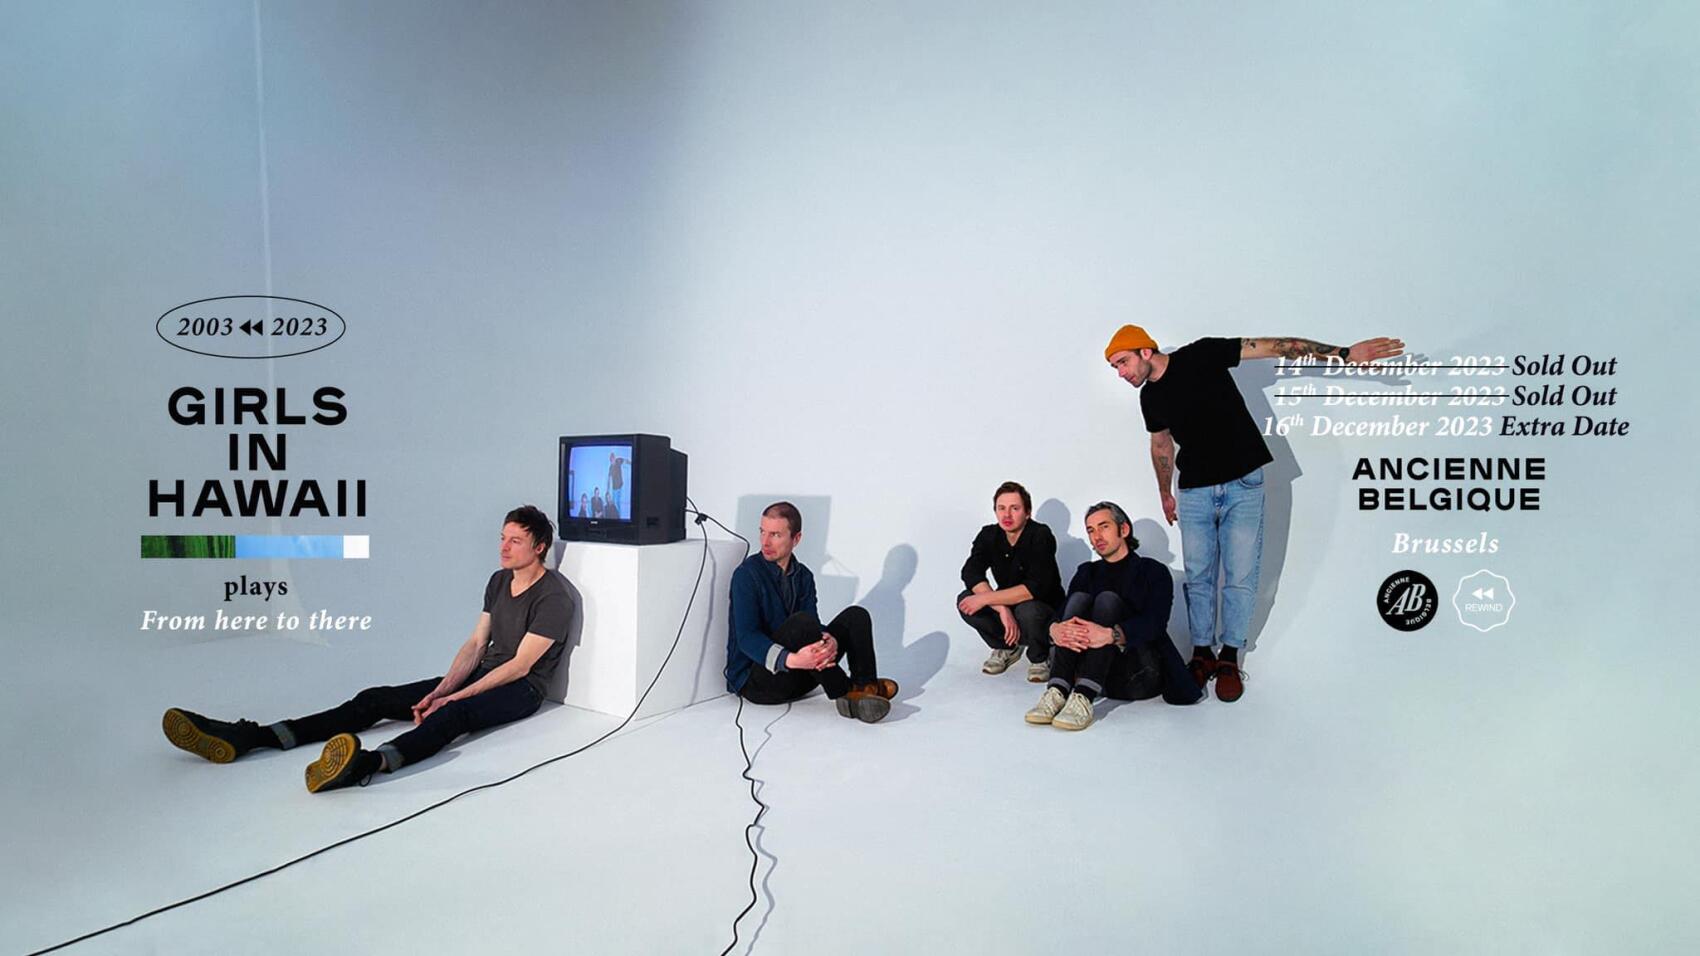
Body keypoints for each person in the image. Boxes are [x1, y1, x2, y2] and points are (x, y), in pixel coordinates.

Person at [161, 505, 573, 792]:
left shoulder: (553, 597)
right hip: (485, 673)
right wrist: (440, 690)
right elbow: (476, 643)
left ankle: (368, 763)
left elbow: (520, 666)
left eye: (515, 541)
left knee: (454, 715)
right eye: (502, 538)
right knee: (375, 699)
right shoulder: (499, 581)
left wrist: (453, 699)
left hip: (523, 690)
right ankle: (254, 737)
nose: (503, 547)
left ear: (539, 547)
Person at [1105, 325, 1404, 701]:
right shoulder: (1149, 397)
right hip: (1194, 490)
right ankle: (1202, 653)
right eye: (1115, 368)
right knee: (1198, 577)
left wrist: (1345, 354)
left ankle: (1230, 657)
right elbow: (1160, 443)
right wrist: (1165, 492)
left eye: (1123, 362)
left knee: (1241, 574)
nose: (1121, 373)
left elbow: (1275, 347)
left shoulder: (1201, 355)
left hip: (1243, 483)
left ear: (1145, 352)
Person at [1025, 501, 1201, 731]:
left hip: (1138, 674)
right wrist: (1054, 629)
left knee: (1107, 600)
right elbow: (1064, 614)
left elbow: (1155, 623)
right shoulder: (1086, 572)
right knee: (1077, 600)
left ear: (1123, 529)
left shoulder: (1153, 571)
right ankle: (1057, 690)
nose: (1096, 536)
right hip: (1097, 675)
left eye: (1104, 526)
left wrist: (1112, 635)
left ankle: (1084, 698)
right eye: (1091, 530)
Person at [725, 501, 898, 722]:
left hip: (802, 676)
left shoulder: (804, 576)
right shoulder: (746, 575)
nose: (765, 542)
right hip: (759, 683)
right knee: (802, 622)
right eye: (763, 532)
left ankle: (866, 687)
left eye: (775, 535)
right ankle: (846, 690)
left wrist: (829, 639)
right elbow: (747, 638)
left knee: (856, 615)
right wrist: (792, 660)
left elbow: (812, 628)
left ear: (796, 539)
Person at [957, 480, 1064, 682]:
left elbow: (1034, 588)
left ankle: (1040, 657)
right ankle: (1006, 646)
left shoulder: (1040, 534)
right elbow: (971, 572)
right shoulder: (989, 534)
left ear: (1027, 512)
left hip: (1042, 609)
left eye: (1015, 508)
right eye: (1001, 508)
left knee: (1028, 609)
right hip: (1009, 605)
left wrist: (986, 599)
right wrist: (1001, 608)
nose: (1007, 515)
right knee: (966, 599)